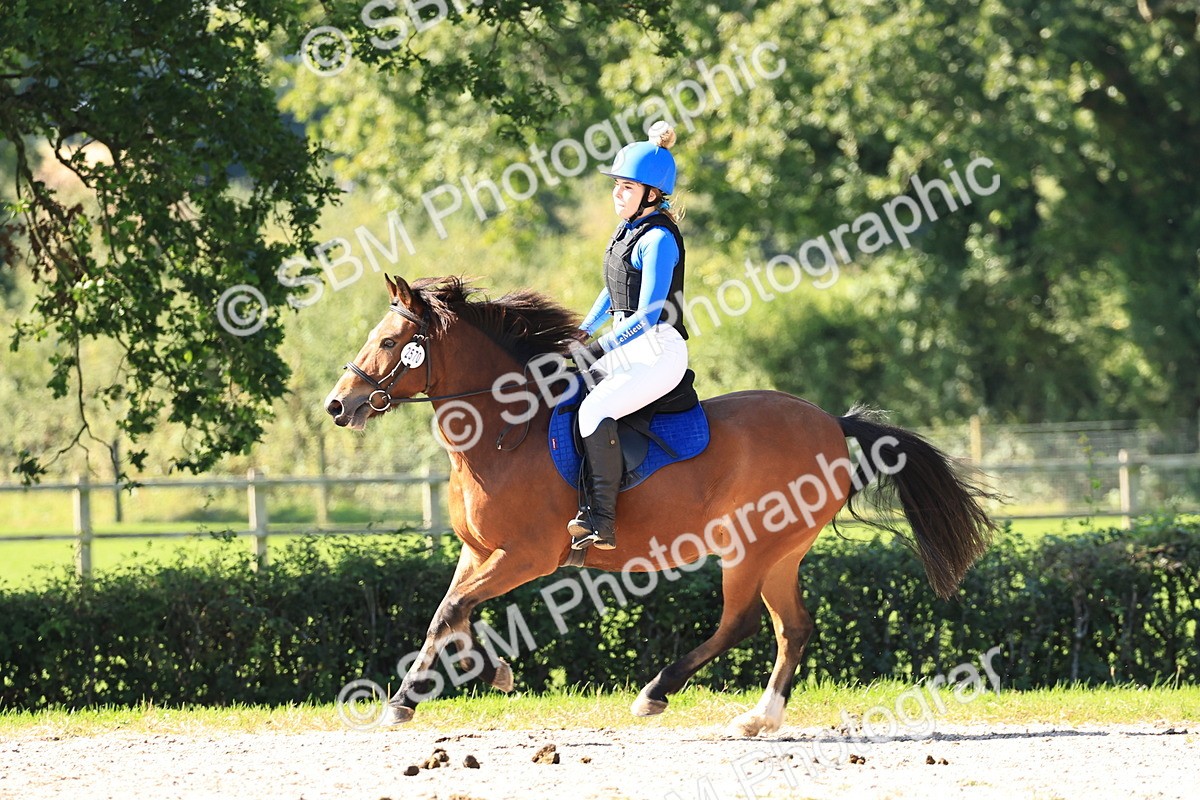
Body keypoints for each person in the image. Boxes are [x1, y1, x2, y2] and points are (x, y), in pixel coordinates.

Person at [569, 120, 691, 551]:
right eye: (616, 186)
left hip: (657, 349)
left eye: (626, 187)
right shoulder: (627, 233)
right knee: (565, 390)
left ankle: (602, 520)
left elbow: (649, 313)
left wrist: (599, 345)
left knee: (593, 410)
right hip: (629, 346)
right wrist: (584, 329)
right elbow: (612, 289)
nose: (616, 194)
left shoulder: (658, 238)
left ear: (651, 194)